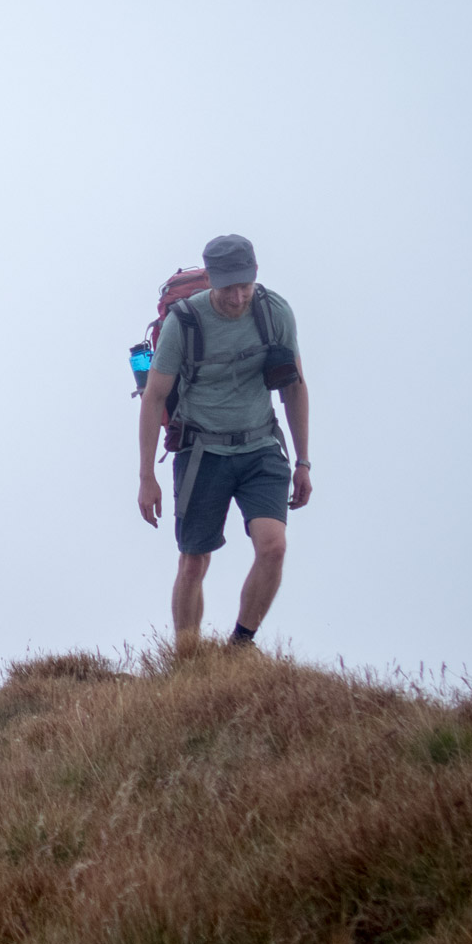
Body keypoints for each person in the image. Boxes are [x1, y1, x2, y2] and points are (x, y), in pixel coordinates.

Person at [137, 235, 312, 648]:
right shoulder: (185, 323)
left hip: (261, 448)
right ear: (212, 280)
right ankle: (187, 660)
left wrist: (304, 461)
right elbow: (154, 397)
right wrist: (147, 476)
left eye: (245, 286)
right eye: (228, 286)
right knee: (194, 563)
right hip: (201, 454)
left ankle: (240, 645)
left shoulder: (275, 313)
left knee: (273, 548)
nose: (237, 297)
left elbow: (295, 388)